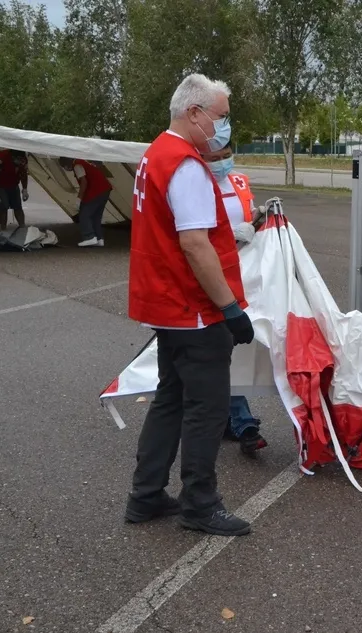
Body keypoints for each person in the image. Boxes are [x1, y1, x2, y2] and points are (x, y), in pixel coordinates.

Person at [124, 73, 256, 537]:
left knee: (170, 400)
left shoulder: (155, 154)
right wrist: (230, 309)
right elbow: (196, 245)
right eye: (220, 116)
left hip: (166, 303)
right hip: (193, 308)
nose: (223, 127)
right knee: (207, 407)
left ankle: (146, 494)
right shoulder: (185, 164)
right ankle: (201, 503)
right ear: (195, 113)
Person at [200, 144, 269, 457]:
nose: (221, 162)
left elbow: (248, 218)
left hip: (243, 275)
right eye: (213, 158)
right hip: (212, 279)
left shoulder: (239, 181)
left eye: (224, 155)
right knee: (220, 352)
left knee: (229, 351)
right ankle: (243, 424)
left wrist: (260, 221)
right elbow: (194, 239)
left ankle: (232, 419)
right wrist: (231, 236)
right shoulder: (195, 184)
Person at [58, 157, 114, 247]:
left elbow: (84, 182)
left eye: (64, 166)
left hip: (96, 190)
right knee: (96, 216)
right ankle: (99, 239)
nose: (66, 169)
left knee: (84, 214)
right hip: (105, 189)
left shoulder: (77, 165)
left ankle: (89, 237)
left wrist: (79, 199)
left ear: (67, 163)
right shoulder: (83, 162)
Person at [0, 149, 29, 231]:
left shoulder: (24, 160)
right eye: (18, 159)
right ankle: (3, 229)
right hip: (0, 185)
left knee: (18, 207)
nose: (20, 161)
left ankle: (22, 227)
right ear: (13, 157)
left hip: (14, 184)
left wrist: (25, 189)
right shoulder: (0, 158)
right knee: (3, 207)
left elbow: (24, 174)